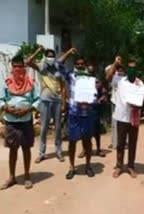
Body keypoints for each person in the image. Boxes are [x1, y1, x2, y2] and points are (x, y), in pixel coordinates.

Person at [0, 55, 40, 190]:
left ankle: (27, 176)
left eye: (20, 66)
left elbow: (38, 100)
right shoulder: (6, 82)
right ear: (12, 67)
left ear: (24, 67)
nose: (17, 69)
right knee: (13, 149)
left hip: (26, 119)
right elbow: (0, 99)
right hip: (10, 120)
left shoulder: (31, 82)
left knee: (26, 148)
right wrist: (7, 108)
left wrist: (28, 109)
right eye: (15, 66)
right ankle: (11, 177)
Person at [57, 48, 100, 179]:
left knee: (87, 141)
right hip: (74, 114)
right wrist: (69, 53)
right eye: (78, 64)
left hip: (87, 114)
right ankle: (71, 167)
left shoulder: (90, 78)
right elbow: (58, 64)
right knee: (72, 141)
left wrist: (91, 101)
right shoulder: (71, 76)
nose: (80, 65)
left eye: (82, 64)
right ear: (75, 65)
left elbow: (95, 95)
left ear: (85, 65)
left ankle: (88, 165)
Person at [25, 47, 65, 163]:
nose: (50, 58)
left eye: (52, 56)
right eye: (48, 56)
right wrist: (38, 51)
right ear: (45, 57)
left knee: (58, 128)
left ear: (55, 57)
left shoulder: (58, 70)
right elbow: (27, 62)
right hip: (45, 101)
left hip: (57, 101)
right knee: (43, 128)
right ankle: (42, 153)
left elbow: (63, 88)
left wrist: (63, 103)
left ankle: (59, 152)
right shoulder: (42, 68)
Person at [112, 60, 144, 179]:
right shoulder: (120, 81)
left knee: (132, 143)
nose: (132, 70)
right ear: (127, 70)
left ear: (136, 70)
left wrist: (139, 108)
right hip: (121, 117)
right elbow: (107, 77)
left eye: (134, 68)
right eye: (130, 68)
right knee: (120, 143)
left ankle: (131, 165)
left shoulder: (140, 83)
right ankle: (119, 166)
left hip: (134, 118)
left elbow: (143, 99)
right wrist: (115, 64)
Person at [78, 63, 107, 158]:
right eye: (88, 72)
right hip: (84, 110)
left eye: (91, 72)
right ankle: (84, 150)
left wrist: (101, 99)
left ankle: (98, 150)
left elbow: (104, 93)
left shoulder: (98, 82)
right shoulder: (82, 82)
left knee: (96, 131)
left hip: (94, 110)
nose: (90, 74)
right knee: (84, 131)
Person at [105, 56, 124, 149]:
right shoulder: (113, 76)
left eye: (122, 70)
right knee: (114, 123)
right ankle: (114, 142)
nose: (120, 71)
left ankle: (123, 142)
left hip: (124, 103)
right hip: (115, 101)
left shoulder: (126, 78)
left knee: (124, 123)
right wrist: (115, 63)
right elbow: (108, 75)